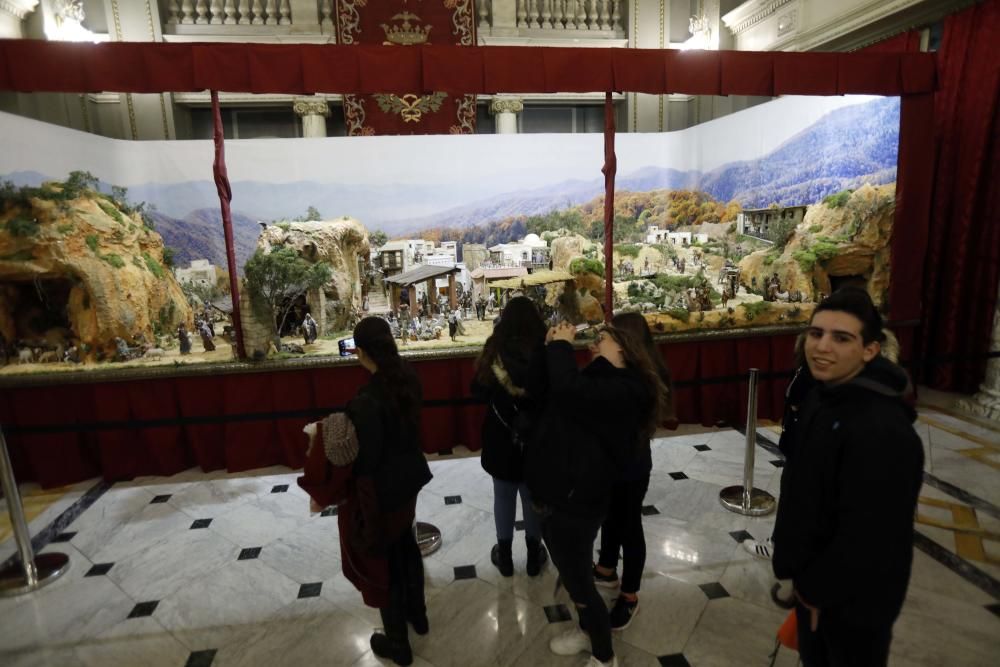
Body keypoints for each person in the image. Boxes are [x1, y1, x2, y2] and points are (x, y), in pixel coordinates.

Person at [771, 287, 923, 666]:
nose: (822, 346)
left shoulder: (882, 429)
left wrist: (816, 592)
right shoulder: (827, 394)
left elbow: (872, 536)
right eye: (816, 333)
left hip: (853, 605)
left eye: (841, 338)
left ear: (870, 350)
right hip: (817, 587)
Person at [525, 321, 664, 667]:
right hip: (561, 491)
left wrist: (560, 349)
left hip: (577, 501)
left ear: (624, 347)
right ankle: (588, 630)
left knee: (580, 585)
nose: (594, 343)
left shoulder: (628, 391)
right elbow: (557, 393)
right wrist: (550, 349)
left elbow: (571, 393)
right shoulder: (604, 377)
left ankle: (603, 655)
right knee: (574, 576)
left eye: (603, 339)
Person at [348, 317, 433, 666]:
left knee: (385, 561)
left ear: (361, 352)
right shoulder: (408, 377)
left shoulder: (366, 400)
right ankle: (419, 615)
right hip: (409, 481)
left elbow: (365, 461)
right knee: (406, 547)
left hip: (383, 491)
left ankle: (398, 643)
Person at [593, 312, 675, 631]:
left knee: (629, 525)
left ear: (625, 342)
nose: (602, 340)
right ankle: (606, 568)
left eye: (610, 335)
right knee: (611, 516)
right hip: (615, 463)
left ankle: (630, 595)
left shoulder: (639, 379)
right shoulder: (628, 371)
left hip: (631, 466)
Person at [472, 297, 549, 578]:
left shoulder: (494, 349)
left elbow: (477, 390)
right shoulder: (546, 348)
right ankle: (533, 556)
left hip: (501, 436)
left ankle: (504, 558)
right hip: (537, 440)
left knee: (502, 496)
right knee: (532, 498)